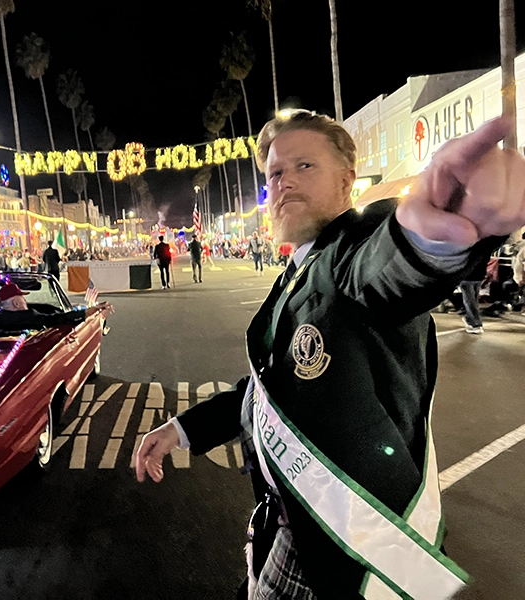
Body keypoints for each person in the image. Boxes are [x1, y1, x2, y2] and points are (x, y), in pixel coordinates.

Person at [134, 111, 525, 599]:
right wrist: (182, 429)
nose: (285, 183)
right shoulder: (298, 271)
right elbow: (269, 387)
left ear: (347, 180)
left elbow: (386, 268)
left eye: (305, 166)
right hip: (291, 525)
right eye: (276, 173)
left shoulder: (350, 252)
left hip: (342, 552)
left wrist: (437, 236)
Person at [0, 282, 112, 332]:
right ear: (16, 304)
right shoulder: (30, 317)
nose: (25, 301)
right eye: (22, 298)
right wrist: (89, 310)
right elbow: (57, 318)